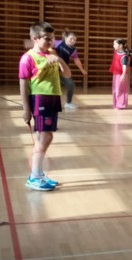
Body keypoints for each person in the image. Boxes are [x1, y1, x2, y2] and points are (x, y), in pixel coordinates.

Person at [19, 21, 72, 191]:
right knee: (45, 137)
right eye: (47, 38)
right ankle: (34, 176)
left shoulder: (52, 53)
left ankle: (38, 173)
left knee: (45, 137)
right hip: (40, 99)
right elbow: (23, 85)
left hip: (53, 98)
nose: (51, 41)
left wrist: (59, 60)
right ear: (35, 38)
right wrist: (26, 109)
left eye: (52, 38)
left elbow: (67, 74)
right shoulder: (28, 58)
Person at [53, 29, 87, 110]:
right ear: (65, 37)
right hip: (52, 69)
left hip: (63, 70)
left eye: (75, 40)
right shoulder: (57, 43)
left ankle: (68, 103)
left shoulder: (73, 50)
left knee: (71, 85)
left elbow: (76, 60)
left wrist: (82, 69)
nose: (73, 41)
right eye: (71, 39)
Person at [110, 38, 130, 109]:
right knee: (115, 89)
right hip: (115, 74)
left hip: (121, 75)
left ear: (120, 45)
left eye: (115, 44)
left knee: (120, 90)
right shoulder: (116, 52)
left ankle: (121, 105)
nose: (113, 45)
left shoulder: (124, 56)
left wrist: (123, 75)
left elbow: (124, 66)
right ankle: (116, 104)